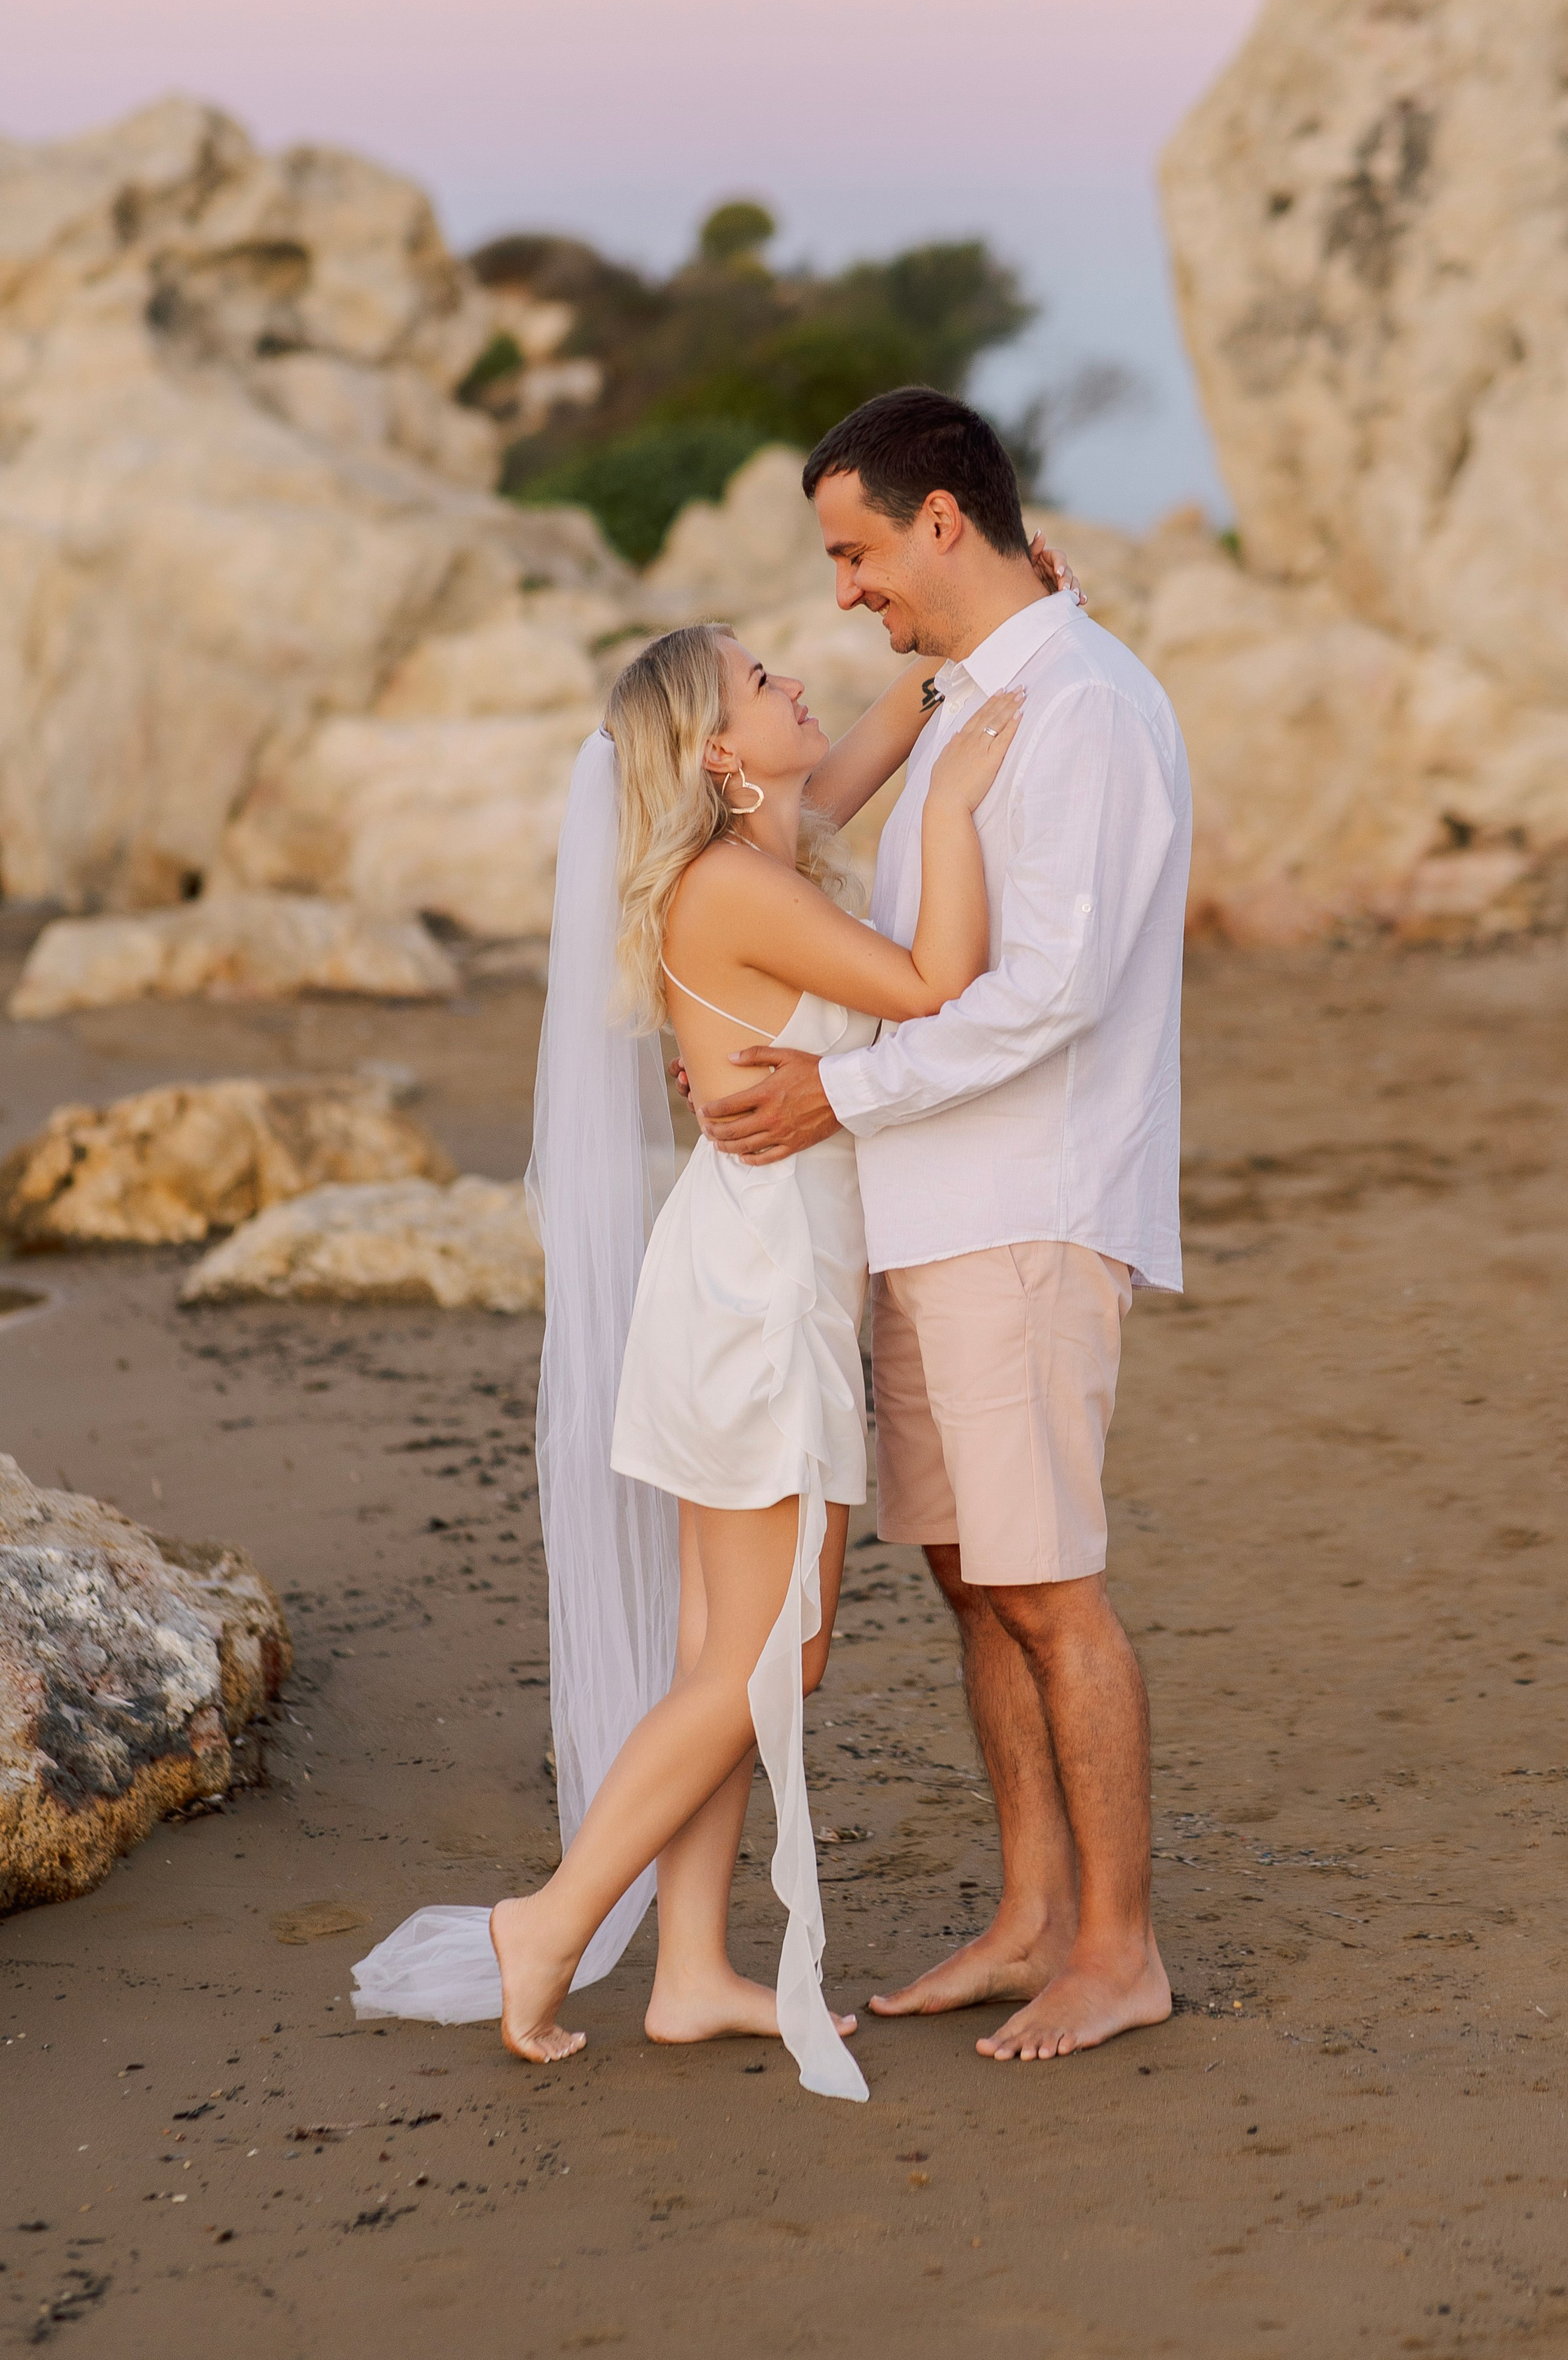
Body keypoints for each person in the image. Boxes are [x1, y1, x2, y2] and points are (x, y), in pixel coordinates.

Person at [353, 616, 1021, 2099]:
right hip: (760, 1293)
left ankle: (694, 1971)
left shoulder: (750, 858)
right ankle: (549, 1921)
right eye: (762, 681)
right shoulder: (734, 885)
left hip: (744, 1272)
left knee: (725, 1654)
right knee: (774, 1653)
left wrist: (956, 659)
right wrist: (961, 802)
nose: (796, 682)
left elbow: (836, 775)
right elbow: (935, 985)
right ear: (718, 753)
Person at [700, 387, 1193, 2063]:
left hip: (1024, 1208)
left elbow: (1049, 995)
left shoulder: (1085, 711)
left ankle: (1118, 1950)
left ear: (936, 519)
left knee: (1048, 1588)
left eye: (854, 553)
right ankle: (1031, 1918)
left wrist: (835, 1098)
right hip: (926, 1208)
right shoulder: (983, 691)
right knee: (976, 1584)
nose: (842, 591)